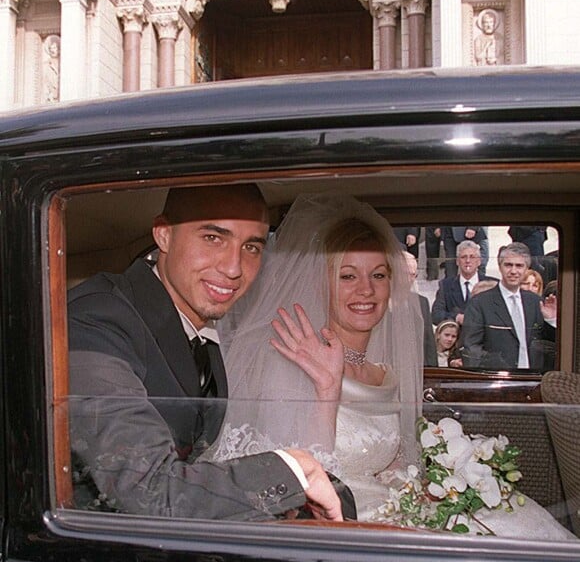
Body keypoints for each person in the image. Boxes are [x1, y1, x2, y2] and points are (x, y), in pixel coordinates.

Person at [212, 194, 575, 540]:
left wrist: (428, 487)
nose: (366, 290)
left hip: (396, 509)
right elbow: (298, 485)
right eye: (348, 276)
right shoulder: (292, 362)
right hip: (342, 522)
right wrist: (327, 387)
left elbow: (395, 463)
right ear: (322, 282)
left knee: (515, 522)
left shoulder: (386, 372)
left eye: (379, 275)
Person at [67, 184, 348, 522]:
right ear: (164, 235)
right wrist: (293, 469)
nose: (234, 267)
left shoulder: (198, 329)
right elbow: (148, 490)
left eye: (251, 247)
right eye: (213, 238)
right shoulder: (96, 320)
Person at [462, 242, 556, 371]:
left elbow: (549, 345)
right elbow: (471, 348)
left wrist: (550, 320)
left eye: (519, 266)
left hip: (533, 377)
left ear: (526, 269)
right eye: (508, 265)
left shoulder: (535, 301)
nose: (513, 271)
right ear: (500, 267)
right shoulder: (480, 302)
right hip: (496, 379)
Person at [431, 240, 497, 326]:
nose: (468, 260)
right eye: (463, 257)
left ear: (479, 261)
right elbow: (436, 315)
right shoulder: (446, 285)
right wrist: (456, 318)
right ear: (457, 261)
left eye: (472, 257)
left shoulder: (492, 284)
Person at [403, 251, 437, 366]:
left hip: (416, 371)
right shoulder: (377, 302)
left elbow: (429, 345)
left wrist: (434, 375)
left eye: (413, 275)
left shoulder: (422, 302)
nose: (409, 279)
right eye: (405, 274)